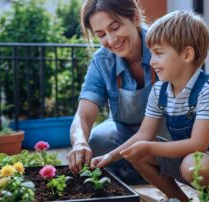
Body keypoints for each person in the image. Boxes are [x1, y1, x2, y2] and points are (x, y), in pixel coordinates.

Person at [91, 10, 209, 201]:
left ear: (187, 54)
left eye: (159, 53)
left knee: (192, 166)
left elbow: (197, 144)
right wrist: (110, 156)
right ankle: (179, 199)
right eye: (151, 54)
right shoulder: (160, 90)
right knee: (137, 155)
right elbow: (143, 135)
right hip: (195, 158)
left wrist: (150, 147)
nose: (152, 62)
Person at [67, 0, 169, 184]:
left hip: (169, 136)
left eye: (115, 27)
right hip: (127, 138)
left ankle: (165, 171)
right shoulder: (102, 61)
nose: (111, 40)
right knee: (99, 138)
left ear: (136, 17)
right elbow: (83, 115)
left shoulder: (165, 47)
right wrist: (80, 142)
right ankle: (138, 175)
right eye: (101, 34)